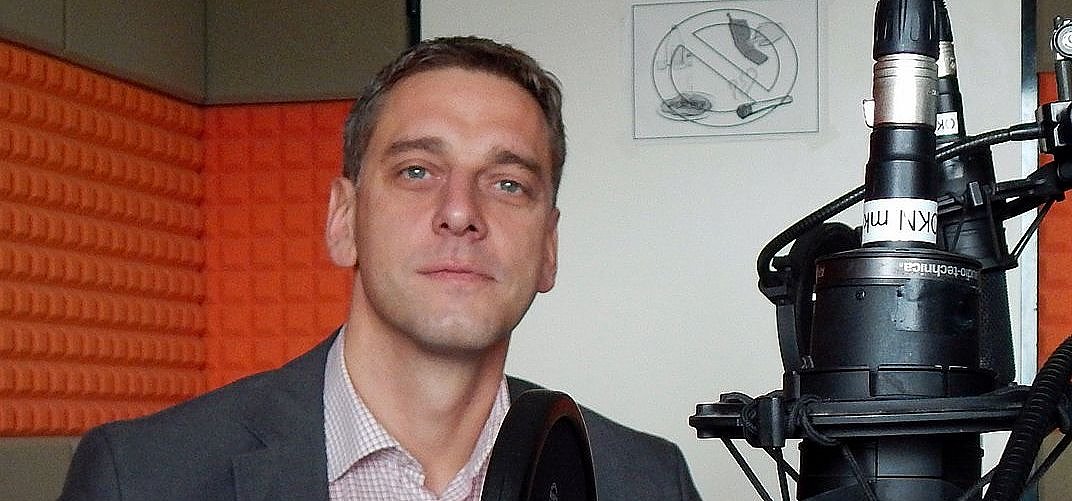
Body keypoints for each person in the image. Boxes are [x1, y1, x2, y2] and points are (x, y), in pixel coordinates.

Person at [60, 36, 702, 500]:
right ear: (344, 220)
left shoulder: (645, 481)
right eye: (417, 171)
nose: (461, 213)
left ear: (549, 249)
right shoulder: (141, 477)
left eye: (508, 183)